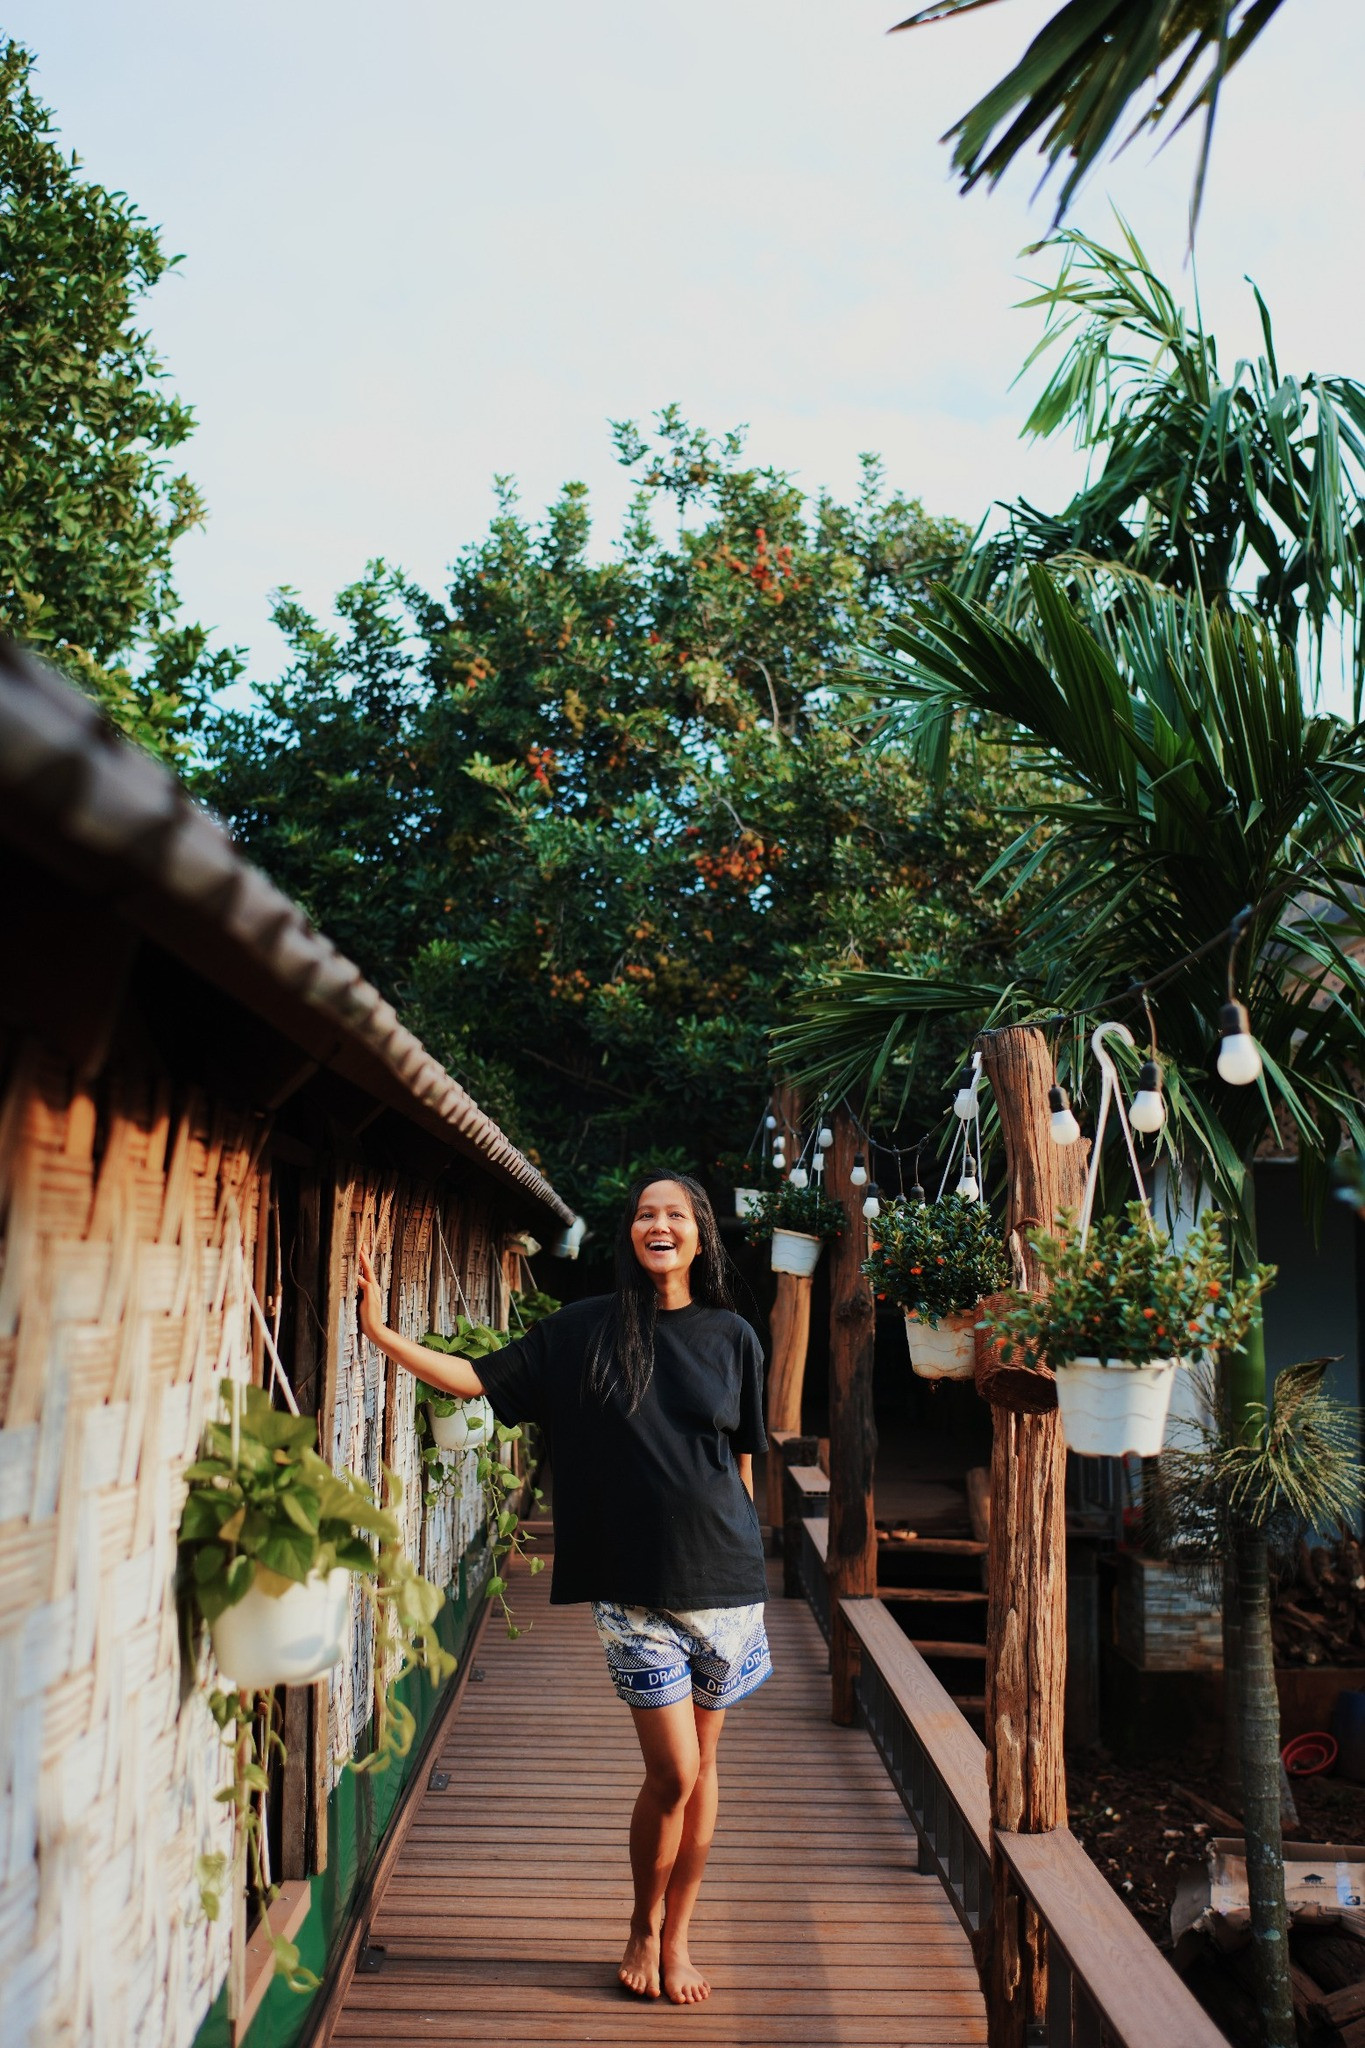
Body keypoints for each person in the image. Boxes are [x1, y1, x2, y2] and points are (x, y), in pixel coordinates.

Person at [356, 1171, 770, 2006]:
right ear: (629, 1233)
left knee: (704, 1770)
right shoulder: (582, 1329)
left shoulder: (732, 1336)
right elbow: (473, 1379)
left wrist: (746, 1551)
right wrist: (377, 1332)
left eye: (675, 1214)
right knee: (673, 1774)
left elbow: (742, 1459)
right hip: (630, 1590)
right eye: (645, 1214)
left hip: (724, 1582)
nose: (659, 1225)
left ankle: (678, 1936)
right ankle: (641, 1925)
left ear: (700, 1235)